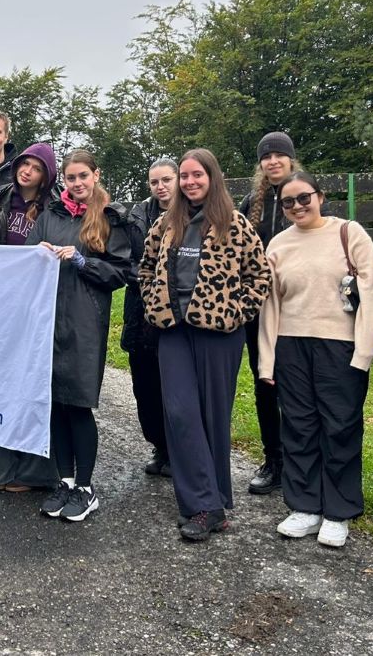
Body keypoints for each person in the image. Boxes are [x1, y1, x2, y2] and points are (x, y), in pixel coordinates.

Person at [138, 148, 270, 542]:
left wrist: (235, 312)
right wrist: (153, 302)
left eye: (198, 175)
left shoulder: (235, 223)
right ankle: (205, 503)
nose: (190, 182)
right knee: (179, 413)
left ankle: (212, 504)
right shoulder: (166, 223)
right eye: (185, 176)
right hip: (174, 331)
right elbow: (145, 268)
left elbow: (260, 275)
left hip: (219, 335)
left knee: (213, 416)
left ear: (213, 178)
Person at [258, 171, 373, 548]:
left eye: (304, 198)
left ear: (320, 196)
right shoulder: (279, 245)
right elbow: (270, 306)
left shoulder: (349, 233)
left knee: (340, 427)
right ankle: (304, 506)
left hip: (339, 345)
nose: (297, 206)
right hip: (291, 345)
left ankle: (338, 511)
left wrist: (364, 352)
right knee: (298, 426)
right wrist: (267, 361)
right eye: (288, 202)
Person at [29, 149, 131, 521]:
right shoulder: (50, 216)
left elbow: (122, 271)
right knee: (54, 403)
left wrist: (83, 261)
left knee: (78, 403)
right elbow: (26, 260)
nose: (76, 183)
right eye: (70, 178)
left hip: (85, 321)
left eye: (82, 176)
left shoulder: (108, 217)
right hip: (48, 320)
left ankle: (86, 487)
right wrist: (36, 253)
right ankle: (66, 481)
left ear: (95, 175)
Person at [0, 143, 61, 493]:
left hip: (37, 304)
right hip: (1, 299)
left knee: (33, 383)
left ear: (47, 175)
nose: (27, 171)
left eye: (36, 167)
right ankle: (5, 461)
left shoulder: (53, 205)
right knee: (2, 382)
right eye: (23, 164)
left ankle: (36, 469)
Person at [238, 131, 303, 496]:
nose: (273, 161)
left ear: (291, 159)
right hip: (259, 307)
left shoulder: (304, 196)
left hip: (297, 306)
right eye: (267, 157)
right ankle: (273, 459)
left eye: (280, 155)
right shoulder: (252, 203)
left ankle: (301, 460)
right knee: (265, 381)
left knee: (295, 383)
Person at [121, 158, 178, 477]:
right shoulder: (138, 215)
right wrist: (148, 279)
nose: (161, 186)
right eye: (155, 181)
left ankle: (179, 449)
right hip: (139, 310)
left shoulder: (190, 213)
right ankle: (158, 445)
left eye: (167, 180)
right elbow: (128, 259)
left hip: (175, 315)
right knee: (145, 388)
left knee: (174, 386)